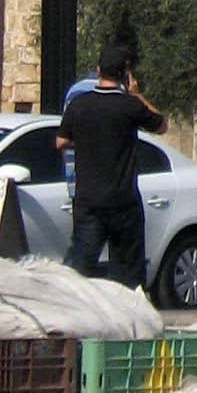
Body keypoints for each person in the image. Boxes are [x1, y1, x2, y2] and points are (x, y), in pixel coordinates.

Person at [57, 43, 163, 290]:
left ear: (98, 71)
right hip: (123, 202)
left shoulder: (79, 105)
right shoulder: (129, 106)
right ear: (125, 75)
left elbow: (60, 141)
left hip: (88, 201)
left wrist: (85, 142)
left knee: (81, 271)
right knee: (127, 276)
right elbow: (161, 125)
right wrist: (136, 94)